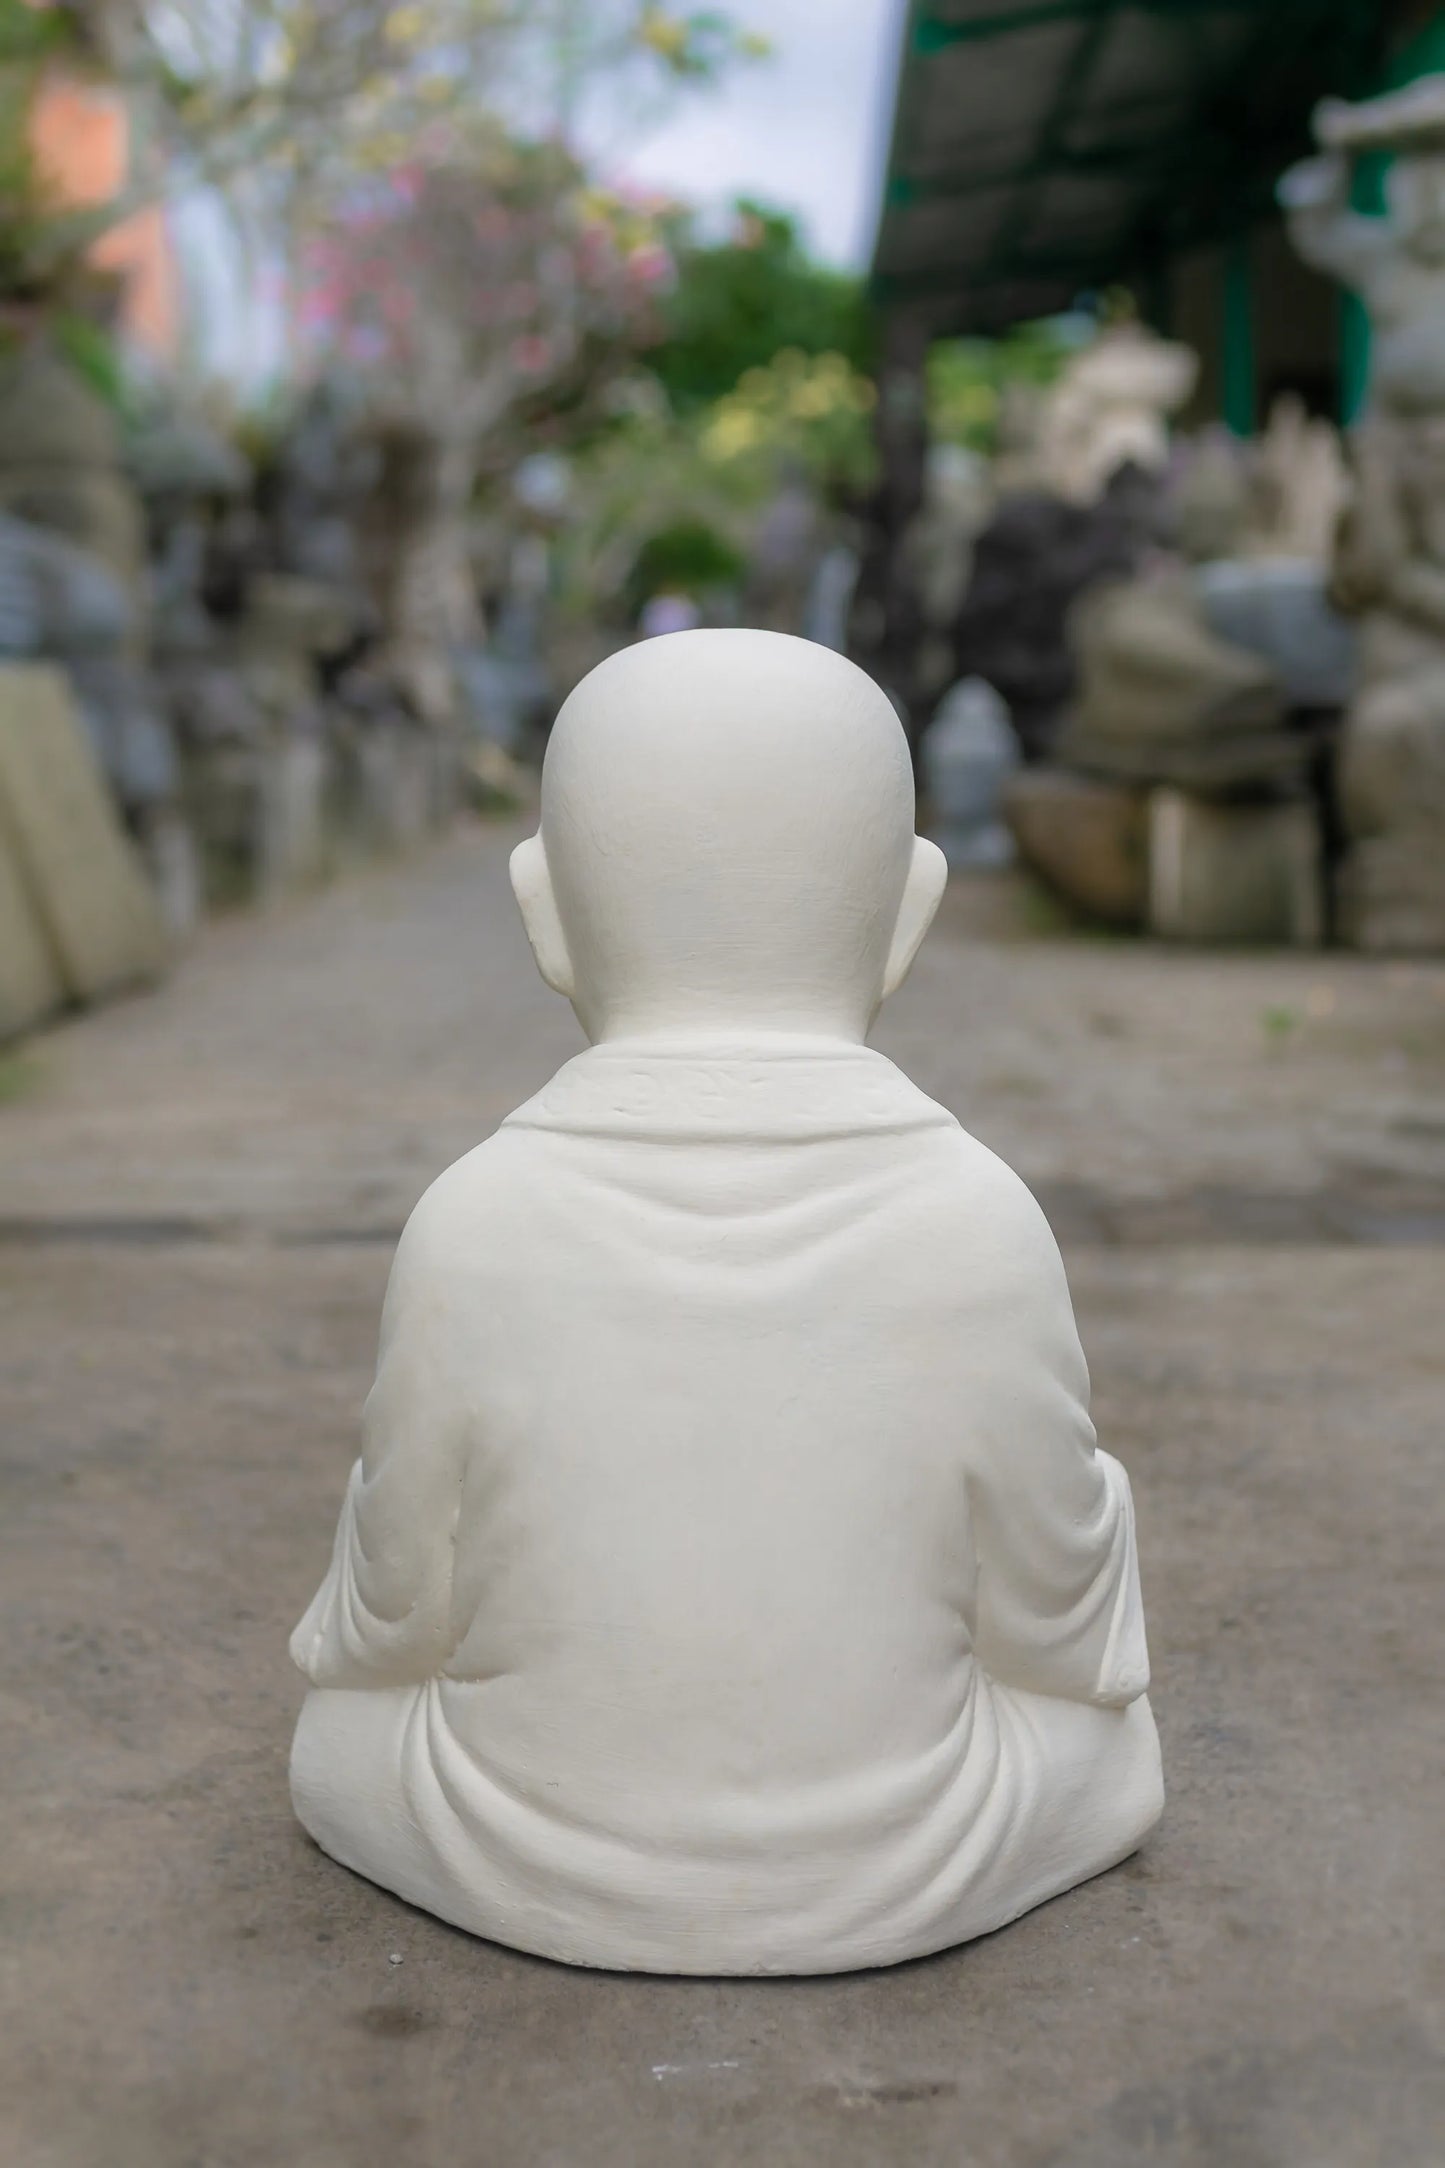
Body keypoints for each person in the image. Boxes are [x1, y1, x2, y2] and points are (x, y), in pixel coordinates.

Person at [290, 630, 1162, 1974]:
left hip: (517, 1844)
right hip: (912, 1856)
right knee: (1104, 1745)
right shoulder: (980, 1218)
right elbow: (1056, 1629)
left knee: (339, 1739)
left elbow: (393, 1615)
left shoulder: (470, 1217)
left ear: (543, 915)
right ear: (909, 916)